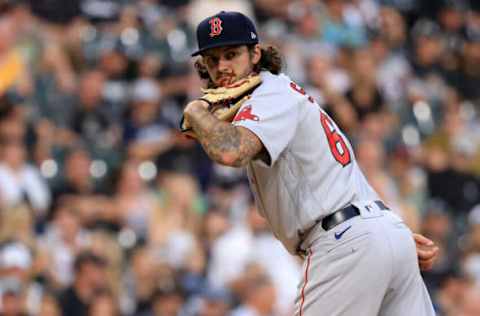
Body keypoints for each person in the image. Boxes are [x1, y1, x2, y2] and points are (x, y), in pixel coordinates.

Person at [182, 11, 438, 316]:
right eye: (212, 59)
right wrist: (383, 234)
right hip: (380, 230)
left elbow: (230, 151)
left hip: (344, 242)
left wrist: (196, 112)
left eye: (231, 54)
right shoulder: (285, 95)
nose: (222, 66)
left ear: (255, 54)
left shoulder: (268, 93)